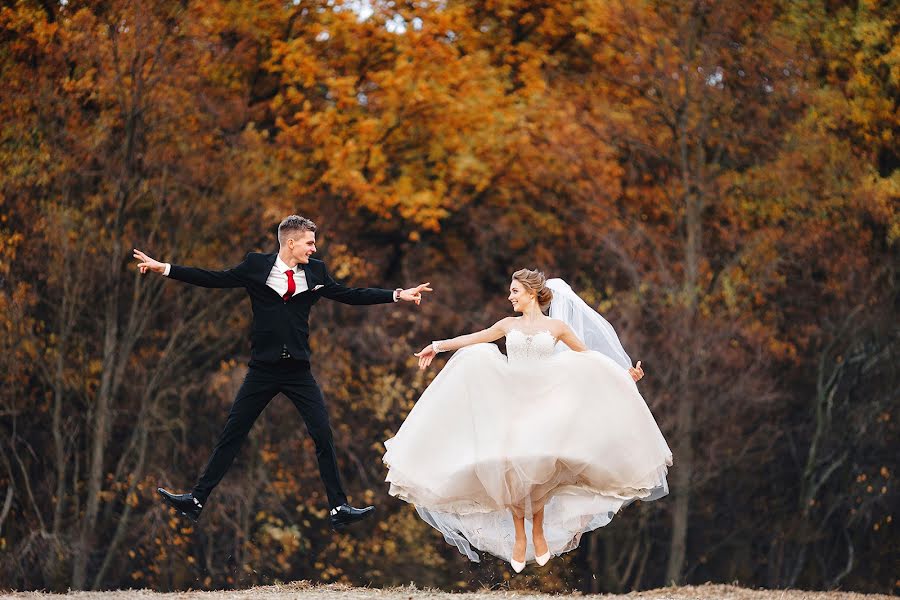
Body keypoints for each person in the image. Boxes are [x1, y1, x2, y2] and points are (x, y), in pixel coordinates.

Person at [133, 215, 432, 530]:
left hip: (298, 372)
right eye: (309, 243)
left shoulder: (316, 272)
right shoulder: (255, 266)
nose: (314, 249)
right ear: (291, 243)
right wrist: (163, 268)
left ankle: (338, 507)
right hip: (262, 369)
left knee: (322, 434)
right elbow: (213, 278)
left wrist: (397, 294)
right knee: (232, 435)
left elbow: (351, 294)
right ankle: (195, 500)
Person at [383, 269, 671, 571]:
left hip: (544, 406)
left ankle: (537, 530)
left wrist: (625, 377)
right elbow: (474, 338)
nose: (510, 297)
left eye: (515, 291)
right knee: (510, 465)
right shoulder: (508, 324)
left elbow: (590, 360)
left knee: (539, 467)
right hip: (511, 403)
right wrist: (438, 345)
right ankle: (521, 534)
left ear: (531, 293)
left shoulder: (558, 327)